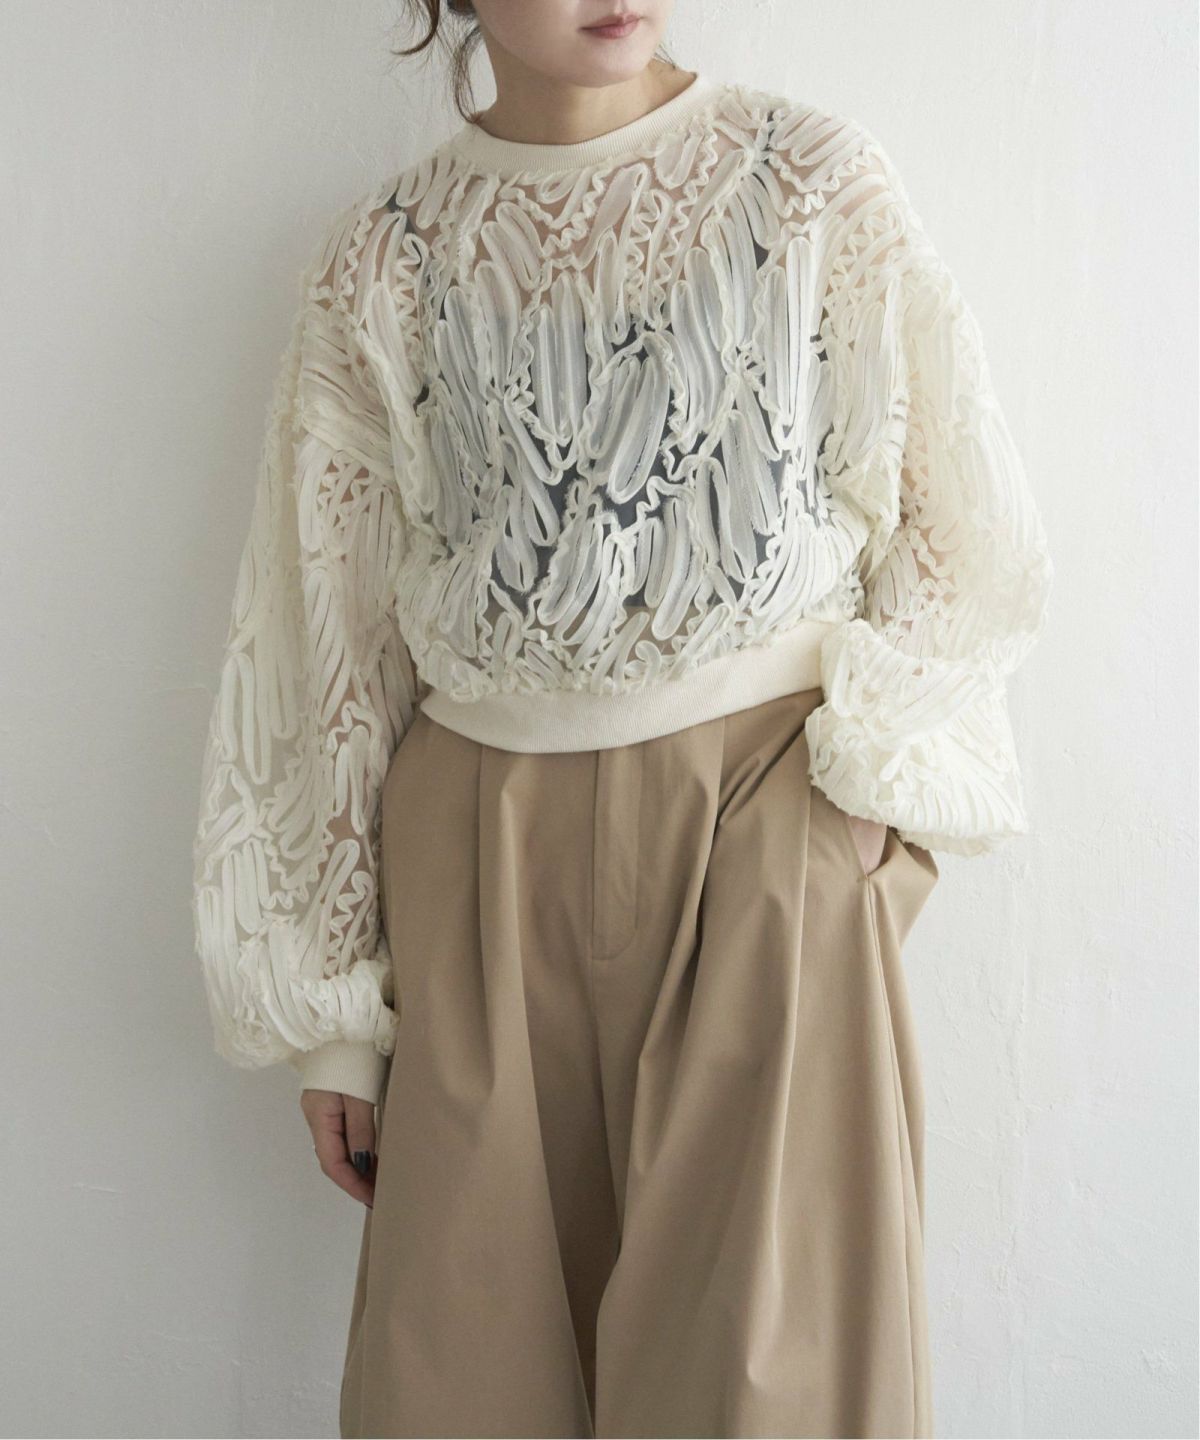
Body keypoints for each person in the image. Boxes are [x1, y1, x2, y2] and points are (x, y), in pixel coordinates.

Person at [190, 2, 1054, 1435]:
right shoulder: (383, 259)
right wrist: (332, 1014)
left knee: (768, 1391)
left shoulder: (806, 180)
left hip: (767, 829)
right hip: (477, 861)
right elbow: (320, 633)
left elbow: (959, 531)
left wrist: (837, 827)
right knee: (460, 1386)